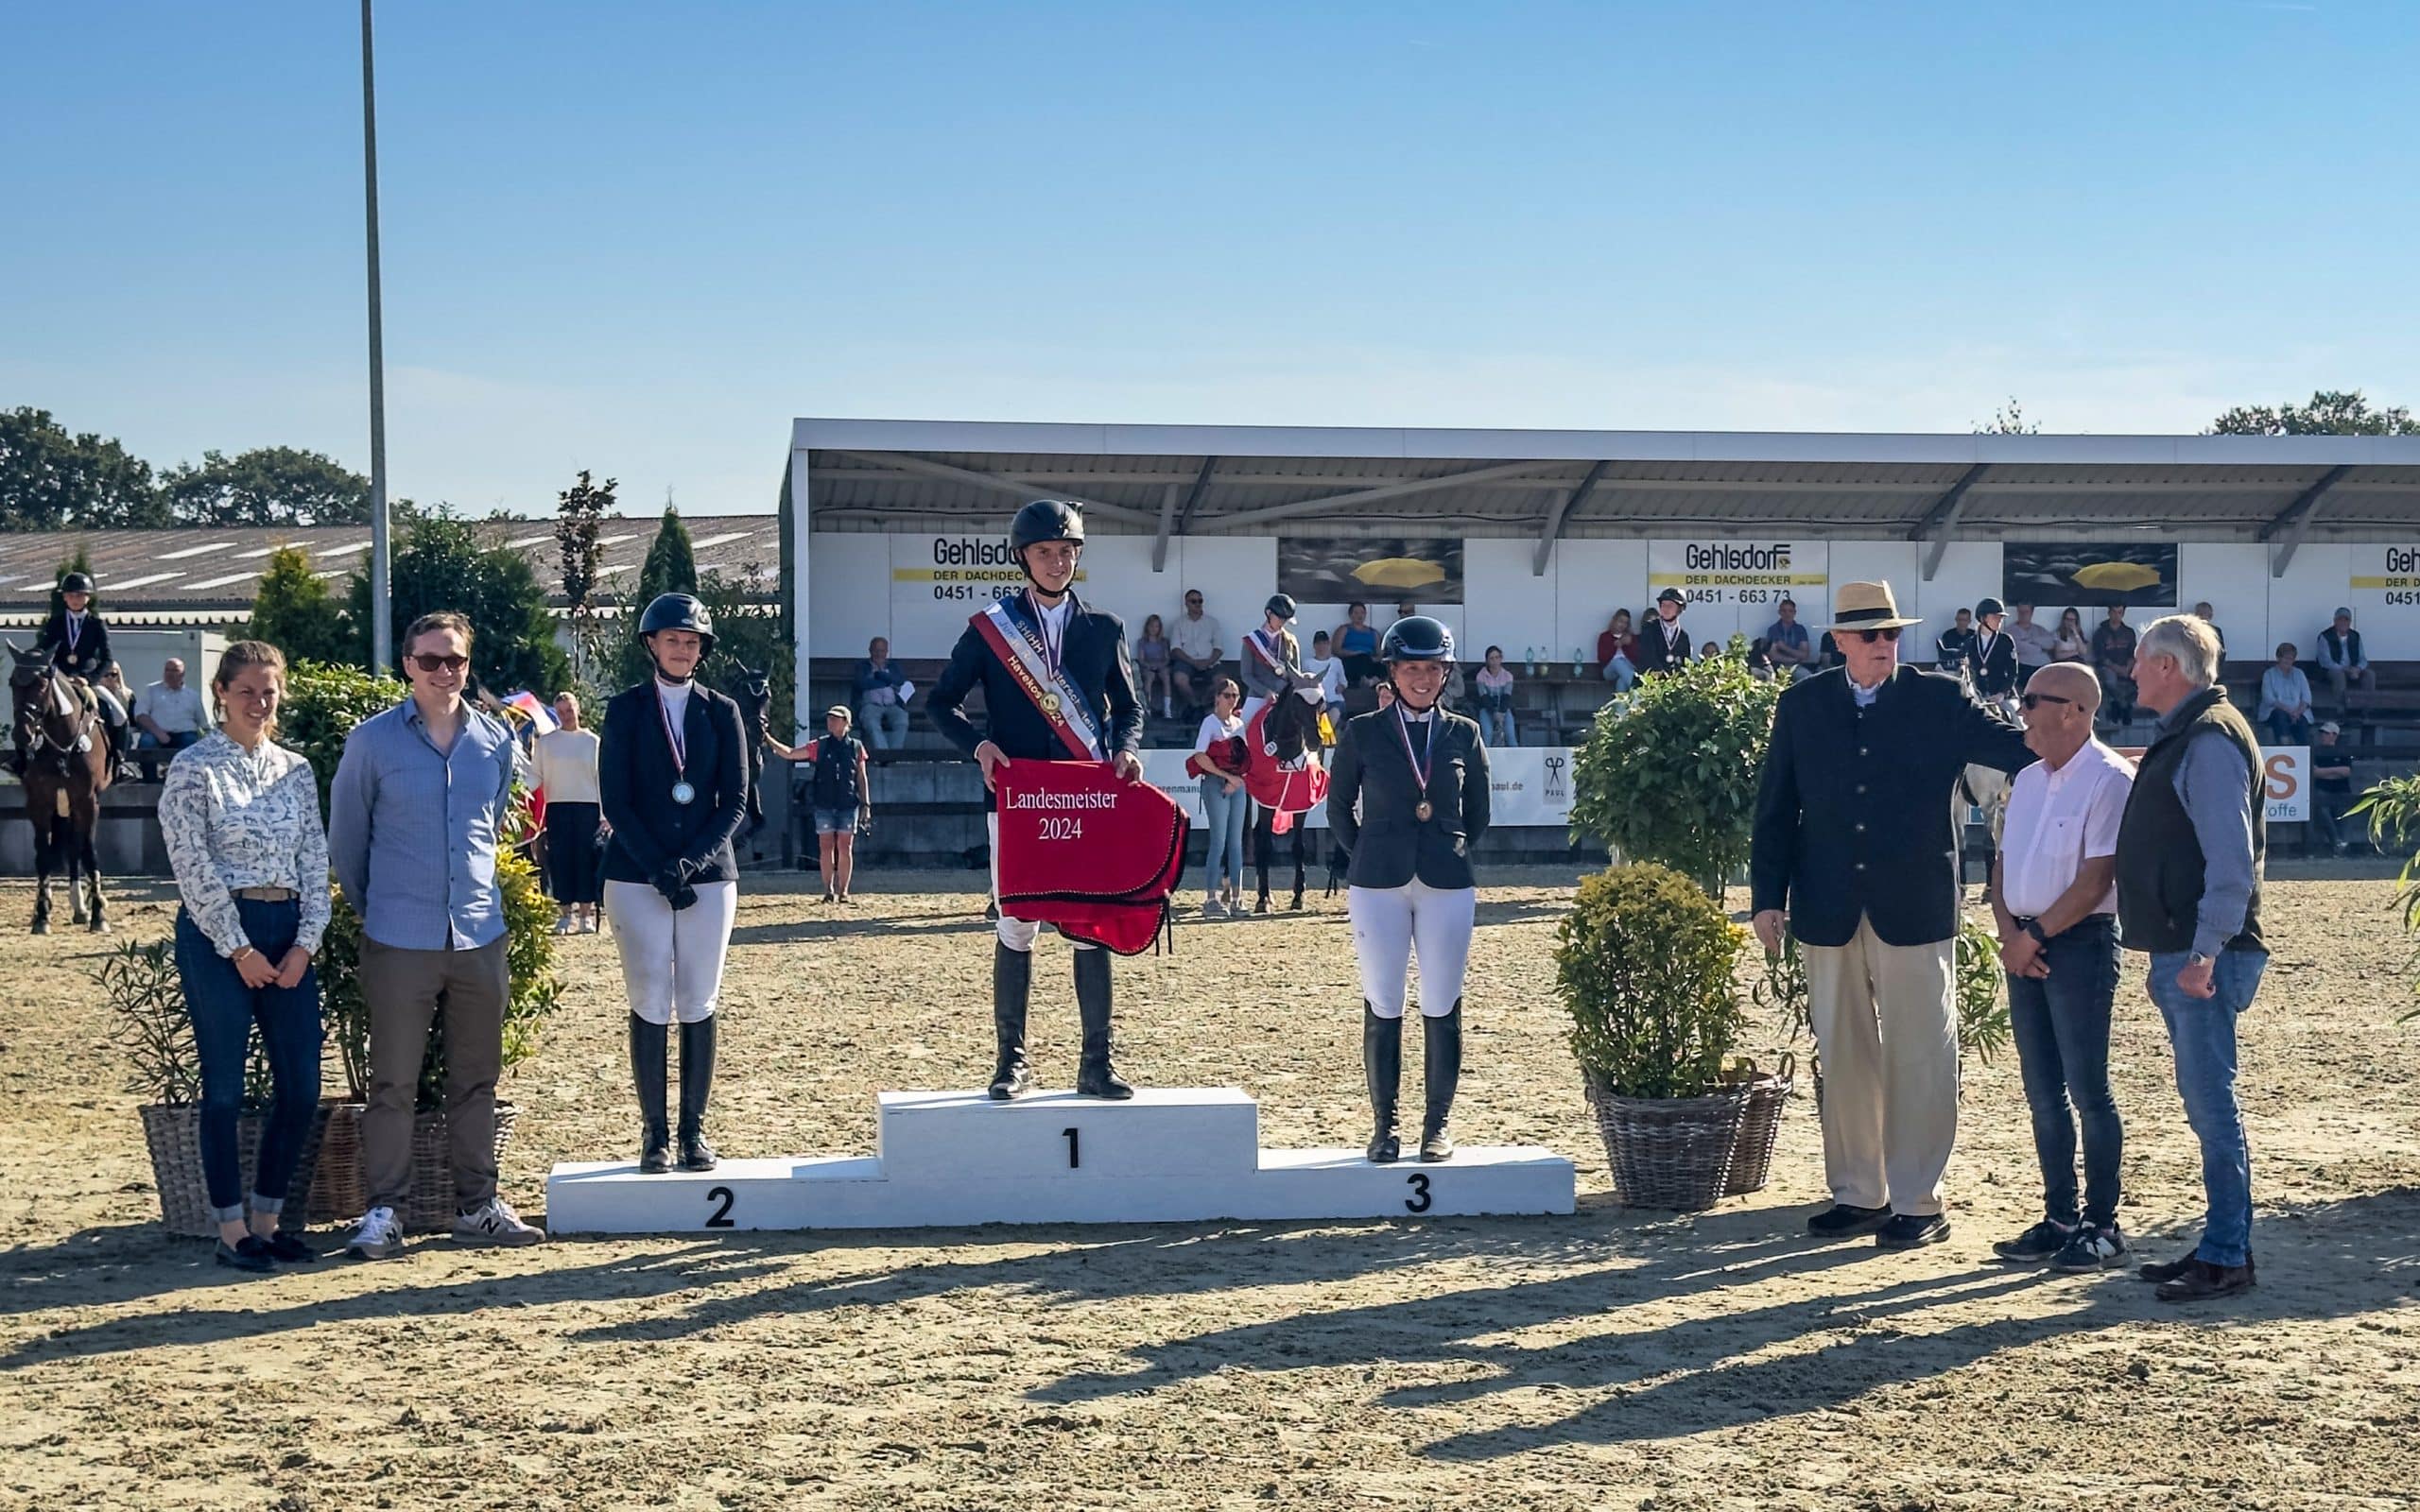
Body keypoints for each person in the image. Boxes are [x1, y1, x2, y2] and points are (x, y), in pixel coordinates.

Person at [1750, 581, 2031, 1248]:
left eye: (1892, 633)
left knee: (1922, 1055)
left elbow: (2016, 749)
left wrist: (2074, 739)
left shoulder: (1939, 697)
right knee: (1844, 1056)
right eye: (1870, 634)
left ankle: (1918, 1199)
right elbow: (1776, 808)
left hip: (1916, 903)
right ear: (1840, 640)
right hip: (1825, 904)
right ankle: (1859, 1192)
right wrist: (1767, 897)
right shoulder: (1801, 704)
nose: (1884, 644)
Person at [329, 611, 542, 1258]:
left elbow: (496, 829)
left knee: (477, 1083)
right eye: (430, 660)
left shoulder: (497, 742)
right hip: (399, 938)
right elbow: (347, 840)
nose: (444, 671)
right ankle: (384, 1212)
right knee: (391, 1085)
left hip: (480, 935)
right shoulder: (371, 743)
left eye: (455, 660)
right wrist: (380, 910)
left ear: (468, 666)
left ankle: (478, 1207)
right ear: (407, 666)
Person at [929, 499, 1147, 1102]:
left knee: (1087, 926)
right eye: (1046, 552)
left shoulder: (1105, 628)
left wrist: (1126, 747)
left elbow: (1128, 708)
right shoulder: (990, 629)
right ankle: (1011, 1063)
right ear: (1022, 557)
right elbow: (939, 702)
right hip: (1018, 801)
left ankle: (1096, 1064)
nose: (1057, 561)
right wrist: (978, 747)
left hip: (1086, 800)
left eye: (1067, 551)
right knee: (1017, 923)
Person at [156, 641, 328, 1274]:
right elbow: (191, 864)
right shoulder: (194, 768)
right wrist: (238, 947)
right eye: (246, 691)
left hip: (289, 932)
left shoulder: (297, 770)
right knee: (225, 1091)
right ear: (222, 693)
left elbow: (315, 855)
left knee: (302, 1088)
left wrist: (307, 940)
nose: (259, 702)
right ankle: (230, 1231)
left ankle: (267, 1219)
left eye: (269, 691)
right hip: (217, 935)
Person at [2118, 613, 2270, 1303]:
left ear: (2169, 668)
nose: (2130, 672)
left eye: (2140, 661)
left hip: (2204, 950)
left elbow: (2231, 866)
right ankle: (2219, 1246)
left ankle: (2227, 1254)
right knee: (2208, 1104)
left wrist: (2203, 952)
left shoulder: (2206, 741)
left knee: (2213, 1107)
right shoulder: (2200, 732)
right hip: (2190, 946)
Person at [1987, 662, 2135, 1273]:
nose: (2021, 710)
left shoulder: (2109, 779)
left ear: (2074, 709)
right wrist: (2009, 934)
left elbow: (2097, 878)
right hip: (2025, 942)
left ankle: (2103, 1225)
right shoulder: (2023, 779)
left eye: (2031, 700)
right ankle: (2059, 1219)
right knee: (2043, 1094)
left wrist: (2034, 936)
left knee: (2086, 1090)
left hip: (2079, 944)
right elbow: (2000, 867)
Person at [1328, 615, 1490, 1164]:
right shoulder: (1363, 732)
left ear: (1445, 674)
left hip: (1446, 879)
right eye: (1412, 668)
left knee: (1442, 999)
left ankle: (1437, 1126)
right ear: (1393, 672)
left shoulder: (1464, 733)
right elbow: (1337, 807)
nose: (1422, 678)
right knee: (1384, 998)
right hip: (1378, 881)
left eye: (1433, 669)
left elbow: (1481, 814)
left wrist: (1452, 845)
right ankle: (1385, 1127)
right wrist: (1369, 851)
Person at [598, 593, 750, 1175]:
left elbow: (734, 799)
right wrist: (659, 864)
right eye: (672, 640)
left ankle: (694, 1132)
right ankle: (654, 1134)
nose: (682, 649)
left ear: (701, 650)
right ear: (651, 645)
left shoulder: (722, 711)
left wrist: (690, 863)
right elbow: (617, 795)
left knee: (698, 998)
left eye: (691, 642)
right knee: (649, 998)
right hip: (637, 872)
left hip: (708, 875)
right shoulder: (626, 709)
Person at [22, 571, 128, 771]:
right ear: (64, 597)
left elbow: (107, 659)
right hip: (59, 680)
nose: (75, 599)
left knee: (119, 714)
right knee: (31, 708)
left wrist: (89, 679)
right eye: (71, 595)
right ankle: (24, 759)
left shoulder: (96, 625)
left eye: (79, 595)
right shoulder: (56, 623)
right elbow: (44, 648)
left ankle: (118, 761)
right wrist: (30, 657)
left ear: (88, 597)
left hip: (87, 682)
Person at [776, 705, 872, 904]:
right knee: (826, 847)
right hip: (825, 803)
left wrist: (866, 803)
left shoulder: (856, 747)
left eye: (835, 719)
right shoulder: (819, 746)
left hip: (847, 802)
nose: (831, 722)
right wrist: (769, 739)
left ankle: (843, 890)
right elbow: (791, 753)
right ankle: (828, 889)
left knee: (845, 847)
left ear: (846, 722)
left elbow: (861, 776)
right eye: (829, 718)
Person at [534, 692, 603, 934]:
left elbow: (601, 780)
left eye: (569, 710)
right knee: (560, 860)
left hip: (588, 807)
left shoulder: (593, 742)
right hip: (558, 806)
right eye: (561, 712)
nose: (566, 716)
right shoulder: (545, 743)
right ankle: (564, 915)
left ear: (578, 709)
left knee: (585, 860)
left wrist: (605, 816)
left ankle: (585, 914)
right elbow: (535, 776)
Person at [1191, 678, 1249, 916]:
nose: (1232, 700)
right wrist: (1225, 776)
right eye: (1227, 695)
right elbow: (1200, 756)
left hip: (1236, 784)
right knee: (1219, 841)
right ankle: (1211, 897)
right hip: (1216, 783)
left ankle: (1236, 896)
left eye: (1235, 696)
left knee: (1236, 842)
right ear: (1217, 697)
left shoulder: (1238, 724)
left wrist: (1236, 780)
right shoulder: (1210, 723)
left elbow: (1245, 757)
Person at [132, 657, 213, 781]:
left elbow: (203, 723)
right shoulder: (151, 690)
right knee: (146, 743)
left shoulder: (193, 696)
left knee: (191, 744)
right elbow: (140, 714)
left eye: (174, 670)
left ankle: (184, 781)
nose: (170, 674)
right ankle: (150, 781)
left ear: (183, 674)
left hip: (184, 733)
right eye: (167, 670)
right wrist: (159, 733)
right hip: (157, 733)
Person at [1240, 593, 1309, 721]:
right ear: (1268, 613)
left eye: (1285, 620)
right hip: (1258, 696)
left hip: (1284, 696)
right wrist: (1265, 692)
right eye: (1280, 618)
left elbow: (1296, 674)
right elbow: (1246, 675)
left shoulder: (1291, 641)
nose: (1282, 623)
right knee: (1243, 732)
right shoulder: (1251, 641)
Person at [1169, 588, 1225, 718]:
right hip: (1187, 661)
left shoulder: (1212, 622)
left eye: (1200, 601)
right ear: (1186, 603)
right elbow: (1175, 649)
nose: (1197, 604)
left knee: (1223, 682)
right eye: (1194, 601)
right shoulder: (1179, 623)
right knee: (1179, 680)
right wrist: (1193, 662)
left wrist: (1208, 662)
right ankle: (1195, 705)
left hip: (1209, 661)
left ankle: (1201, 705)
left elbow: (1219, 648)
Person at [853, 636, 912, 751]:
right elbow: (862, 683)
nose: (879, 654)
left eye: (882, 651)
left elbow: (900, 681)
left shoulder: (893, 666)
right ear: (870, 650)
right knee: (872, 724)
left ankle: (894, 755)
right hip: (870, 705)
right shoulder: (863, 666)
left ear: (886, 651)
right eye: (876, 650)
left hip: (893, 705)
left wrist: (879, 677)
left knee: (902, 721)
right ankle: (883, 754)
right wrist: (886, 680)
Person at [2308, 722, 2356, 855]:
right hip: (2322, 791)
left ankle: (2343, 844)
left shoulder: (2343, 751)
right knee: (2322, 810)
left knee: (2344, 814)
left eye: (2326, 733)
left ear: (2335, 735)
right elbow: (2315, 772)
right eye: (2322, 733)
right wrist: (2335, 772)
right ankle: (2337, 842)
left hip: (2342, 791)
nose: (2323, 736)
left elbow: (2346, 771)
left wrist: (2325, 772)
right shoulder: (2316, 751)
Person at [2314, 607, 2375, 712]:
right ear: (2335, 621)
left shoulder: (2355, 636)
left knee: (2370, 674)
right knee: (2339, 675)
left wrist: (2358, 669)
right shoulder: (2325, 636)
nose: (2343, 622)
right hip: (2330, 670)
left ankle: (2366, 709)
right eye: (2340, 619)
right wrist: (2346, 669)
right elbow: (2326, 662)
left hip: (2353, 670)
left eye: (2346, 620)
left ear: (2350, 622)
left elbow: (2363, 658)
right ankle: (2341, 710)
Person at [2256, 642, 2315, 745]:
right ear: (2278, 658)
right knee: (2280, 716)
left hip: (2298, 712)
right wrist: (2290, 711)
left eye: (2291, 658)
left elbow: (2306, 697)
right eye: (2285, 658)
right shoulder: (2269, 674)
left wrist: (2297, 712)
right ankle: (2285, 747)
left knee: (2302, 722)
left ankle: (2304, 752)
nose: (2288, 661)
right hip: (2276, 711)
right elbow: (2268, 698)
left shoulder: (2299, 674)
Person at [1966, 598, 2019, 707]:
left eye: (2001, 618)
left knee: (2015, 717)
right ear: (1982, 618)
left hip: (2001, 694)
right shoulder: (1970, 642)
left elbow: (2012, 672)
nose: (1999, 621)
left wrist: (2002, 693)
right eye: (1995, 617)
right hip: (1978, 696)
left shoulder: (2006, 641)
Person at [2092, 606, 2138, 726]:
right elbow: (2101, 657)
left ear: (2123, 614)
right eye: (2114, 612)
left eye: (2120, 612)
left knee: (2143, 679)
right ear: (2109, 613)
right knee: (2110, 681)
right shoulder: (2100, 633)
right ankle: (2125, 706)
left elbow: (2133, 654)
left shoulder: (2129, 632)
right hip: (2107, 667)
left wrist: (2127, 668)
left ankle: (2118, 704)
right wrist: (2118, 669)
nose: (2117, 615)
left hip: (2126, 666)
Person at [1634, 589, 1693, 676]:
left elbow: (1684, 663)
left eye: (1670, 606)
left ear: (1681, 608)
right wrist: (1663, 675)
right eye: (1663, 605)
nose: (1665, 609)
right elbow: (1649, 656)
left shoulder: (1683, 636)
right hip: (1649, 682)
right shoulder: (1649, 628)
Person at [1472, 645, 1517, 745]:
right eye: (1492, 658)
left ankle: (1516, 758)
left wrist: (1501, 712)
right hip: (1486, 708)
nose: (1495, 661)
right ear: (1487, 661)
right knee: (1487, 734)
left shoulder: (1508, 676)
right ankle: (1484, 758)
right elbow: (1484, 697)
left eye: (1497, 658)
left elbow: (1507, 696)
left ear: (1501, 659)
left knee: (1510, 734)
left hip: (1504, 709)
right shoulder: (1481, 676)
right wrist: (1494, 712)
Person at [1303, 629, 1348, 723]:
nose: (1321, 646)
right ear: (1314, 646)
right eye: (1318, 644)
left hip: (1335, 701)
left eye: (1324, 643)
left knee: (1334, 714)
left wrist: (1341, 687)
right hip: (1316, 702)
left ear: (1328, 644)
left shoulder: (1336, 662)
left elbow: (1344, 682)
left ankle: (1327, 736)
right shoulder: (1307, 663)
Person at [1135, 614, 1174, 719]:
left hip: (1161, 665)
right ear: (1147, 627)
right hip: (1148, 666)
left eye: (1156, 626)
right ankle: (1147, 708)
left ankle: (1167, 709)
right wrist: (1149, 665)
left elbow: (1167, 659)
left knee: (1166, 677)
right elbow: (1141, 659)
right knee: (1149, 678)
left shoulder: (1164, 642)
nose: (1154, 629)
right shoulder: (1142, 642)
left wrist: (1160, 665)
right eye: (1151, 626)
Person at [1334, 602, 1381, 687]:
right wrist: (1354, 653)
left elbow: (1379, 653)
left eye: (1362, 613)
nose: (1359, 615)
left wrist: (1374, 659)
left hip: (1369, 660)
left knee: (1382, 667)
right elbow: (1336, 650)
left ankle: (1370, 681)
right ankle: (1364, 680)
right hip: (1350, 660)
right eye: (1356, 613)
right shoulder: (1344, 629)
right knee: (1361, 658)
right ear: (1350, 615)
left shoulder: (1374, 632)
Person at [1765, 599, 1814, 679]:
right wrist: (1793, 659)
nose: (1787, 614)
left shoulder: (1800, 629)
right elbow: (1773, 655)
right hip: (1777, 666)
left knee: (1808, 678)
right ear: (1779, 612)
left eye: (1790, 611)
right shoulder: (1773, 629)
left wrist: (1784, 648)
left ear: (1795, 613)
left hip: (1796, 667)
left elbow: (1804, 654)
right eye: (1784, 611)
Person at [2008, 603, 2056, 678]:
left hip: (2045, 665)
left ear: (2032, 613)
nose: (2023, 615)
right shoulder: (2011, 630)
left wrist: (2032, 640)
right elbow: (2019, 647)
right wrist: (2040, 647)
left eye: (2026, 612)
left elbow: (2051, 644)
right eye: (2021, 612)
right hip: (2025, 667)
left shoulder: (2039, 629)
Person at [1597, 609, 1640, 690]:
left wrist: (1629, 645)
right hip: (1609, 670)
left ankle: (1621, 702)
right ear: (1614, 620)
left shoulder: (1630, 637)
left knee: (1621, 681)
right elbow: (1601, 658)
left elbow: (1636, 658)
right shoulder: (1604, 636)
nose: (1622, 625)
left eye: (1625, 623)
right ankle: (1637, 690)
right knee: (1618, 661)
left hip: (1628, 668)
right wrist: (1615, 645)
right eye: (1620, 621)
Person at [1933, 608, 1977, 678]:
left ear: (1969, 621)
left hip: (1969, 668)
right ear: (1956, 620)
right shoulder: (1948, 635)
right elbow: (1946, 655)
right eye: (1960, 620)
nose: (1962, 623)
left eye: (1964, 620)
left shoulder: (1974, 636)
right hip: (1952, 668)